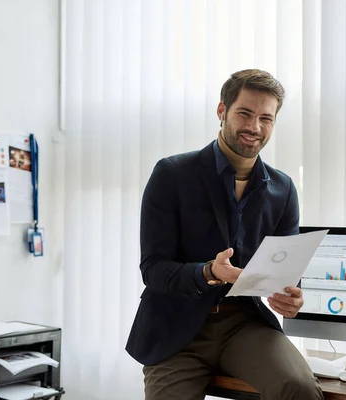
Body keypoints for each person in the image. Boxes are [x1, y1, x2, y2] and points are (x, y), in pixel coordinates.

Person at [126, 69, 324, 400]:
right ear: (222, 111)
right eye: (245, 113)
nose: (255, 127)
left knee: (299, 389)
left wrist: (291, 296)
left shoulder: (283, 189)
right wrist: (208, 272)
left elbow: (285, 269)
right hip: (176, 329)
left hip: (244, 326)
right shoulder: (172, 174)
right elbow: (153, 268)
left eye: (266, 118)